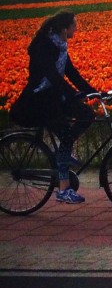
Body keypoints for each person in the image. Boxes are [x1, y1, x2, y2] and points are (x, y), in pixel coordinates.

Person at [9, 11, 102, 204]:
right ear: (64, 28)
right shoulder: (43, 47)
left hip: (54, 95)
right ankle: (63, 189)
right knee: (66, 133)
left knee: (86, 114)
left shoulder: (60, 45)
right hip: (39, 100)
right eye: (74, 25)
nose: (76, 28)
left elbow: (71, 73)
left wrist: (94, 92)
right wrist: (73, 94)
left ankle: (63, 152)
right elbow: (53, 76)